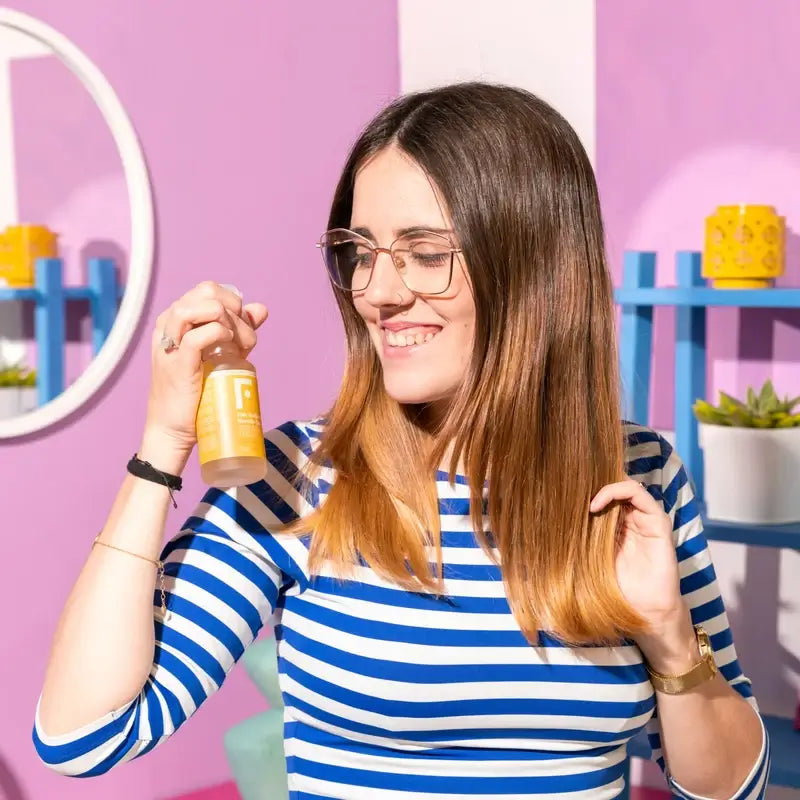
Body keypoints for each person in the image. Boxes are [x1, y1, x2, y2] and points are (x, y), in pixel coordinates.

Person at [33, 83, 768, 799]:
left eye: (423, 251)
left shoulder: (640, 476)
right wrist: (162, 442)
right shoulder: (296, 476)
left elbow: (731, 788)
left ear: (533, 268)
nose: (377, 291)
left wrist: (671, 637)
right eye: (362, 250)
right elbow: (83, 736)